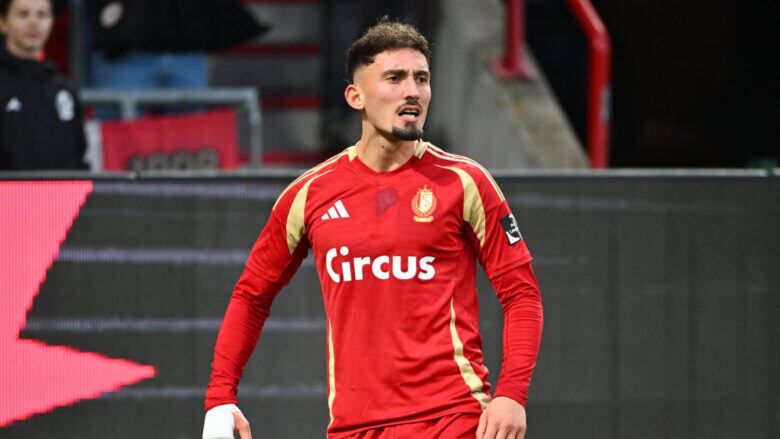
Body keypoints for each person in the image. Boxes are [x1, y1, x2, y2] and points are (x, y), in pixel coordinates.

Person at [203, 18, 543, 439]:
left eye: (421, 79)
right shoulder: (308, 194)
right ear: (355, 96)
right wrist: (219, 397)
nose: (412, 91)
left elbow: (522, 294)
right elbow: (251, 296)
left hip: (452, 420)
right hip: (354, 428)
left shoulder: (465, 182)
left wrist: (512, 394)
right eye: (395, 78)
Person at [0, 0, 88, 170]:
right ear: (3, 23)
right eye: (23, 14)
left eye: (42, 15)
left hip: (61, 188)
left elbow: (78, 158)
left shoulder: (63, 90)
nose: (34, 22)